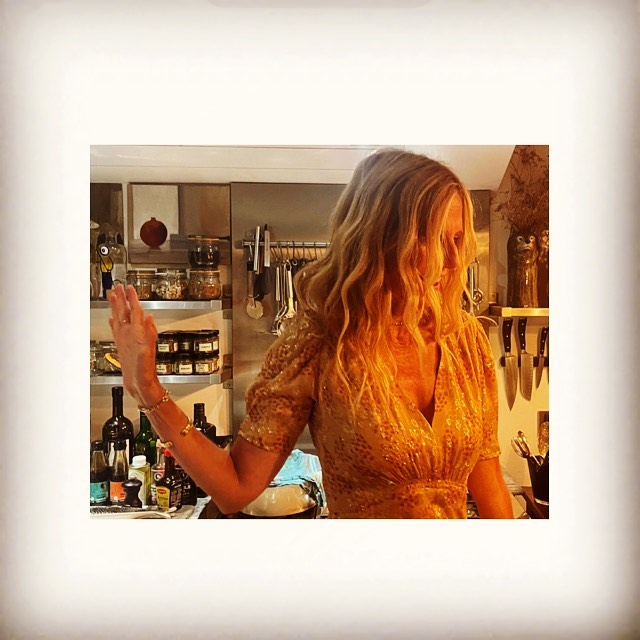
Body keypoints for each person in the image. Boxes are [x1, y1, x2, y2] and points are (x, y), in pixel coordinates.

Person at [109, 148, 513, 519]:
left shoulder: (466, 341)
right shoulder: (320, 340)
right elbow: (235, 488)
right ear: (381, 238)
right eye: (434, 240)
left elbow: (490, 485)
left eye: (457, 239)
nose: (453, 260)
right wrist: (147, 389)